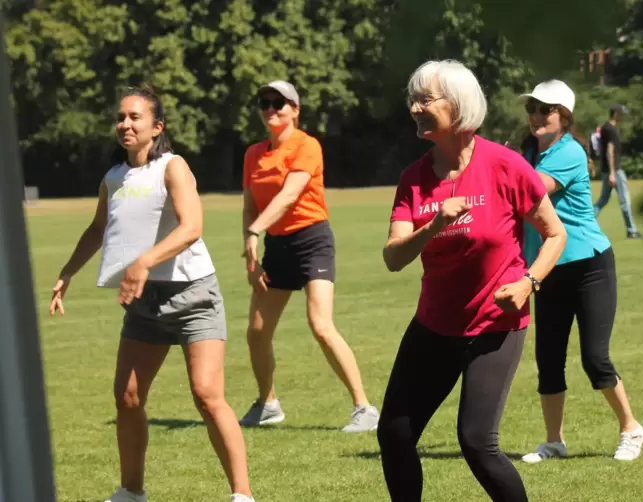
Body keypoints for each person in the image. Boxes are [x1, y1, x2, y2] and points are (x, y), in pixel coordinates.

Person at [49, 86, 255, 502]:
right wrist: (67, 272)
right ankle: (131, 492)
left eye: (135, 117)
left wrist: (142, 262)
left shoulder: (173, 167)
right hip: (143, 304)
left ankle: (242, 495)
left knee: (206, 394)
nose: (125, 124)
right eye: (121, 117)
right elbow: (97, 229)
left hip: (192, 295)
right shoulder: (113, 177)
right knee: (127, 397)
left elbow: (192, 226)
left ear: (156, 127)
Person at [377, 60, 567, 501]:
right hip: (433, 326)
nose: (416, 108)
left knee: (477, 443)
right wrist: (432, 227)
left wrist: (528, 283)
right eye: (414, 100)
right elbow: (393, 257)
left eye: (427, 99)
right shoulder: (414, 180)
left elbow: (555, 235)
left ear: (458, 105)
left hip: (494, 327)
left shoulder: (505, 165)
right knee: (395, 434)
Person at [517, 80, 643, 464]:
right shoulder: (528, 153)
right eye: (534, 108)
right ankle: (554, 441)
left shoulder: (569, 153)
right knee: (549, 358)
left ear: (564, 117)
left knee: (594, 357)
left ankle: (630, 428)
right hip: (548, 267)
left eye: (546, 109)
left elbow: (530, 193)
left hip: (589, 265)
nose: (537, 115)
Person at [239, 80, 379, 432]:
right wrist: (251, 252)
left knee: (320, 324)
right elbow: (249, 206)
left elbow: (289, 196)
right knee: (257, 331)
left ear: (295, 110)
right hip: (277, 246)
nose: (272, 108)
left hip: (312, 239)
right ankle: (267, 403)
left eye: (280, 103)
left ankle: (364, 408)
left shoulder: (307, 146)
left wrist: (256, 230)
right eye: (265, 102)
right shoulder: (253, 154)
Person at [592, 104, 643, 238]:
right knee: (625, 200)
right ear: (615, 114)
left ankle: (586, 221)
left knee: (603, 199)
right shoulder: (611, 130)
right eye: (621, 113)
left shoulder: (606, 128)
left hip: (607, 169)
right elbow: (610, 152)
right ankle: (632, 231)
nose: (623, 116)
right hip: (614, 170)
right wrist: (613, 173)